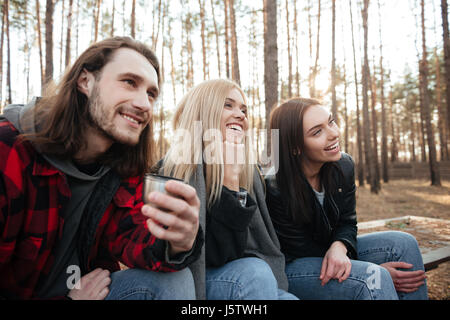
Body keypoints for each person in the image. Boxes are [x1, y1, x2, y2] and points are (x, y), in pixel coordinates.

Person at [0, 37, 203, 300]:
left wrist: (177, 242)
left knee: (175, 281)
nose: (144, 104)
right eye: (130, 82)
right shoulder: (10, 150)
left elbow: (133, 239)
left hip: (95, 293)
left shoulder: (119, 168)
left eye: (151, 94)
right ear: (85, 81)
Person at [265, 97, 428, 300]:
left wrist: (340, 245)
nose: (334, 133)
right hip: (294, 267)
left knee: (403, 243)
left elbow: (347, 221)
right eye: (317, 132)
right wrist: (373, 269)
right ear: (295, 147)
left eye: (331, 122)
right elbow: (303, 250)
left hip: (332, 252)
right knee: (374, 278)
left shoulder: (343, 165)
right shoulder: (275, 187)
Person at [151, 79, 298, 300]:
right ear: (203, 112)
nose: (240, 115)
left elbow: (251, 248)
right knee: (255, 274)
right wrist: (229, 181)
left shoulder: (251, 173)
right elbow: (218, 255)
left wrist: (233, 176)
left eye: (244, 110)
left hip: (246, 277)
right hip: (192, 282)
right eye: (228, 105)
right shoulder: (170, 172)